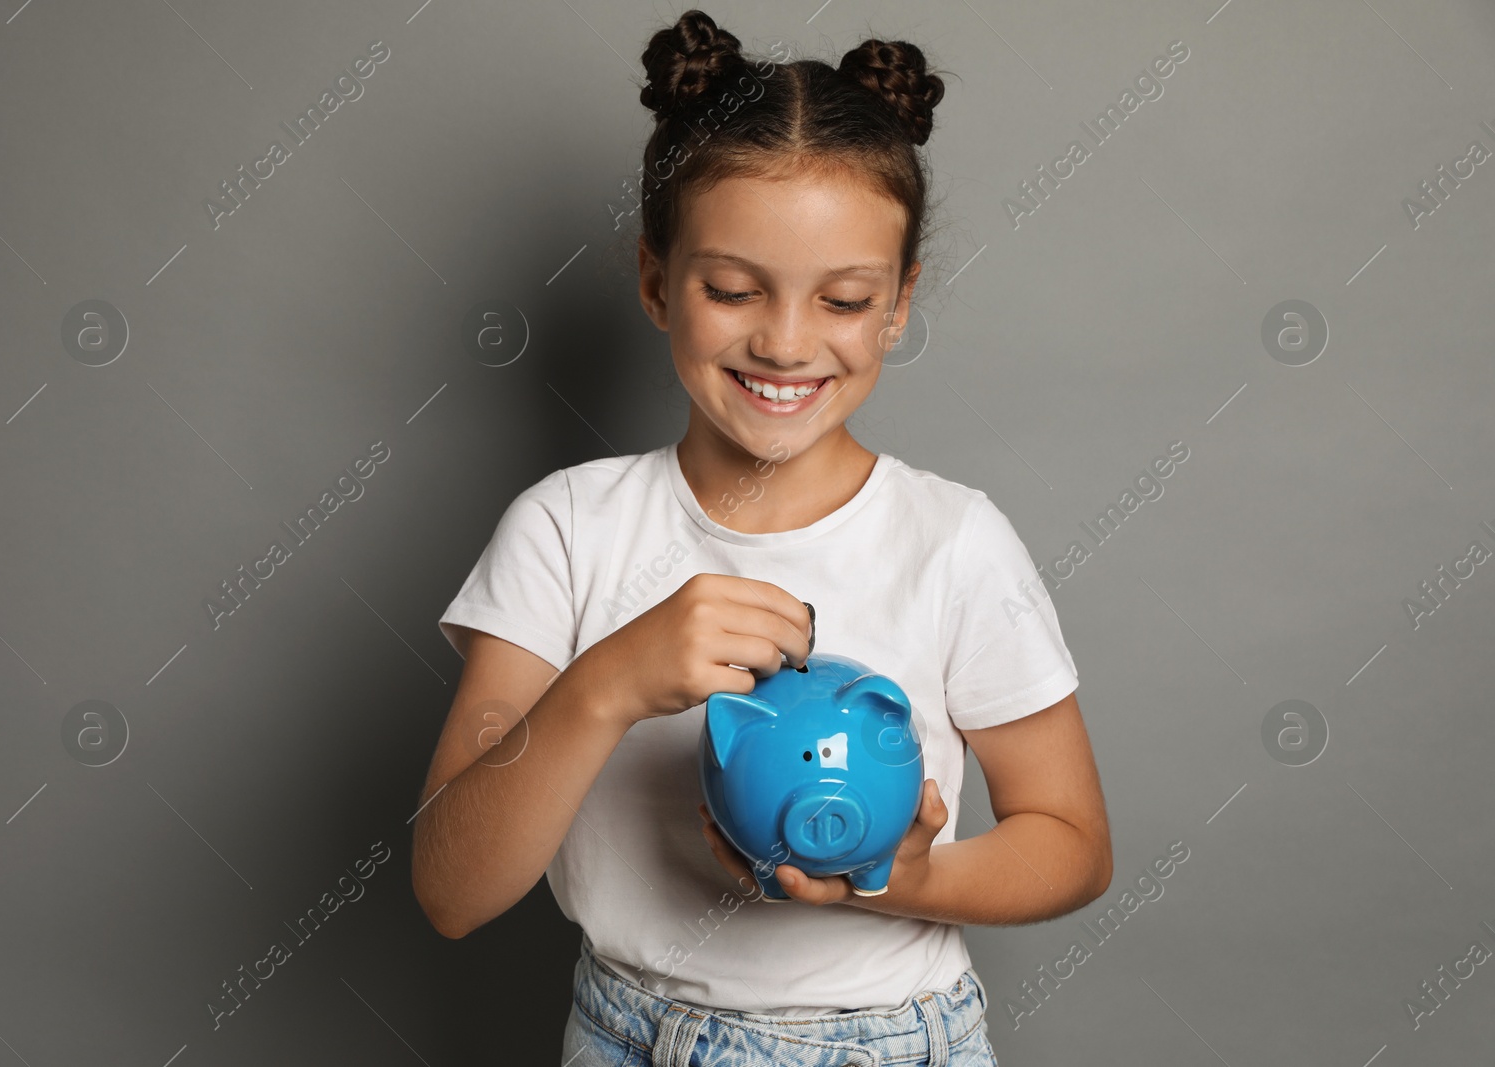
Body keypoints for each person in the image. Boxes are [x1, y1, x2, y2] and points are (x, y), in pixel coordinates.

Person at [413, 10, 1112, 1065]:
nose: (785, 340)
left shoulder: (953, 541)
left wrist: (902, 879)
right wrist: (606, 682)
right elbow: (451, 892)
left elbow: (1073, 843)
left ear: (897, 305)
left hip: (889, 1039)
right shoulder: (564, 528)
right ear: (656, 281)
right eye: (732, 289)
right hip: (622, 1033)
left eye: (843, 298)